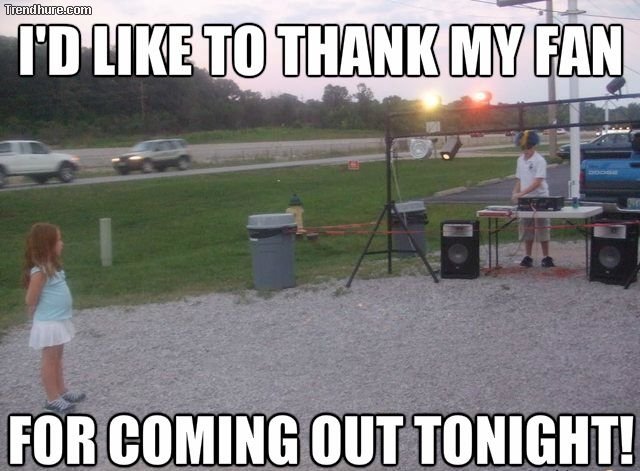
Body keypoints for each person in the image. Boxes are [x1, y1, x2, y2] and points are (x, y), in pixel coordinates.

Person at [23, 223, 86, 413]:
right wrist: (34, 311)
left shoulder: (52, 268)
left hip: (59, 320)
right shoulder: (40, 272)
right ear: (47, 245)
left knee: (58, 358)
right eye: (58, 240)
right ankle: (52, 398)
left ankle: (61, 391)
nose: (62, 243)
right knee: (50, 360)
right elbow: (30, 299)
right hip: (49, 323)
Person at [511, 130, 555, 268]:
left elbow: (537, 181)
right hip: (525, 199)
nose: (526, 150)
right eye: (523, 147)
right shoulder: (520, 160)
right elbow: (519, 179)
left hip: (540, 197)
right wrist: (515, 192)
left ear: (534, 146)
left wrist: (522, 193)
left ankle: (546, 256)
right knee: (526, 227)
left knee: (542, 226)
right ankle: (528, 256)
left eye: (528, 147)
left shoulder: (539, 160)